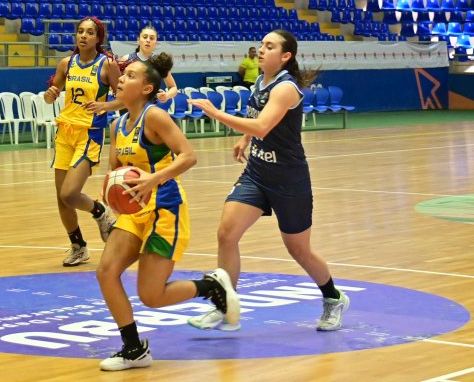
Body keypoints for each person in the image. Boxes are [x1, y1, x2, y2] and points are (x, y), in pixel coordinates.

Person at [188, 29, 349, 332]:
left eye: (269, 46)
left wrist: (216, 113)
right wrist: (243, 139)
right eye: (261, 45)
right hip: (257, 173)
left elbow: (263, 125)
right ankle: (225, 306)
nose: (261, 50)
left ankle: (333, 297)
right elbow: (257, 122)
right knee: (226, 233)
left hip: (289, 179)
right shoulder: (260, 83)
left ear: (285, 56)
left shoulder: (286, 88)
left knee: (298, 249)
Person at [96, 53, 239, 371]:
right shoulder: (117, 124)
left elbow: (188, 156)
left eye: (130, 75)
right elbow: (115, 172)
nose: (121, 78)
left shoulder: (155, 117)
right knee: (106, 271)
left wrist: (154, 178)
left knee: (151, 296)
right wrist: (110, 197)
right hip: (135, 212)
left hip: (165, 209)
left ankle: (211, 287)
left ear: (147, 88)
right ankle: (133, 348)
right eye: (122, 74)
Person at [44, 17, 120, 266]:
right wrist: (50, 94)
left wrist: (105, 105)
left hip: (89, 134)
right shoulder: (66, 63)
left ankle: (100, 212)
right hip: (65, 132)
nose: (83, 36)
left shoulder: (107, 65)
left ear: (98, 38)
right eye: (80, 31)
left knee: (69, 193)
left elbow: (126, 98)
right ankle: (78, 246)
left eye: (89, 32)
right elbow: (50, 96)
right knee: (60, 197)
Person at [115, 25, 179, 103]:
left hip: (151, 106)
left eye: (152, 38)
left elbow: (173, 88)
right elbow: (116, 83)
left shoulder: (159, 62)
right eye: (145, 37)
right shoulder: (126, 59)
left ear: (156, 43)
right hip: (128, 106)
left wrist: (167, 95)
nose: (148, 40)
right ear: (138, 40)